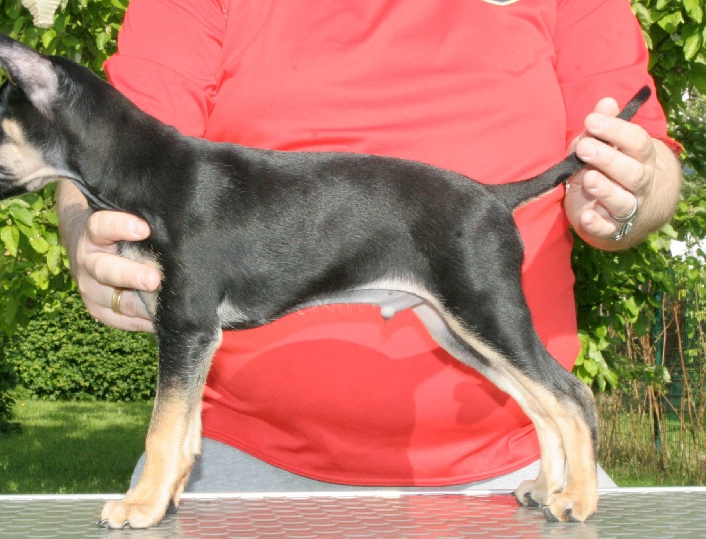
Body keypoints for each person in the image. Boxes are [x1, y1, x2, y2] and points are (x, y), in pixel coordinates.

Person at [58, 0, 681, 492]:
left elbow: (651, 167)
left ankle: (571, 455)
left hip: (513, 461)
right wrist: (89, 230)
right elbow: (111, 144)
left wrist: (631, 190)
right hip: (232, 463)